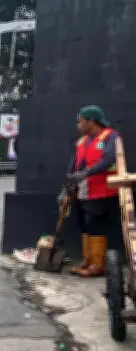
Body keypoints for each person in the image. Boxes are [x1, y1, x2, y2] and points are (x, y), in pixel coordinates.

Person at [63, 105, 120, 277]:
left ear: (91, 121)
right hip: (83, 192)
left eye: (80, 121)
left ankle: (98, 264)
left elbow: (109, 158)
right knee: (83, 224)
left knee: (96, 225)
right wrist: (66, 189)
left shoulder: (111, 136)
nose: (78, 125)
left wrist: (86, 173)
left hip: (102, 192)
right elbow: (72, 167)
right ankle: (87, 260)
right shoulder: (80, 142)